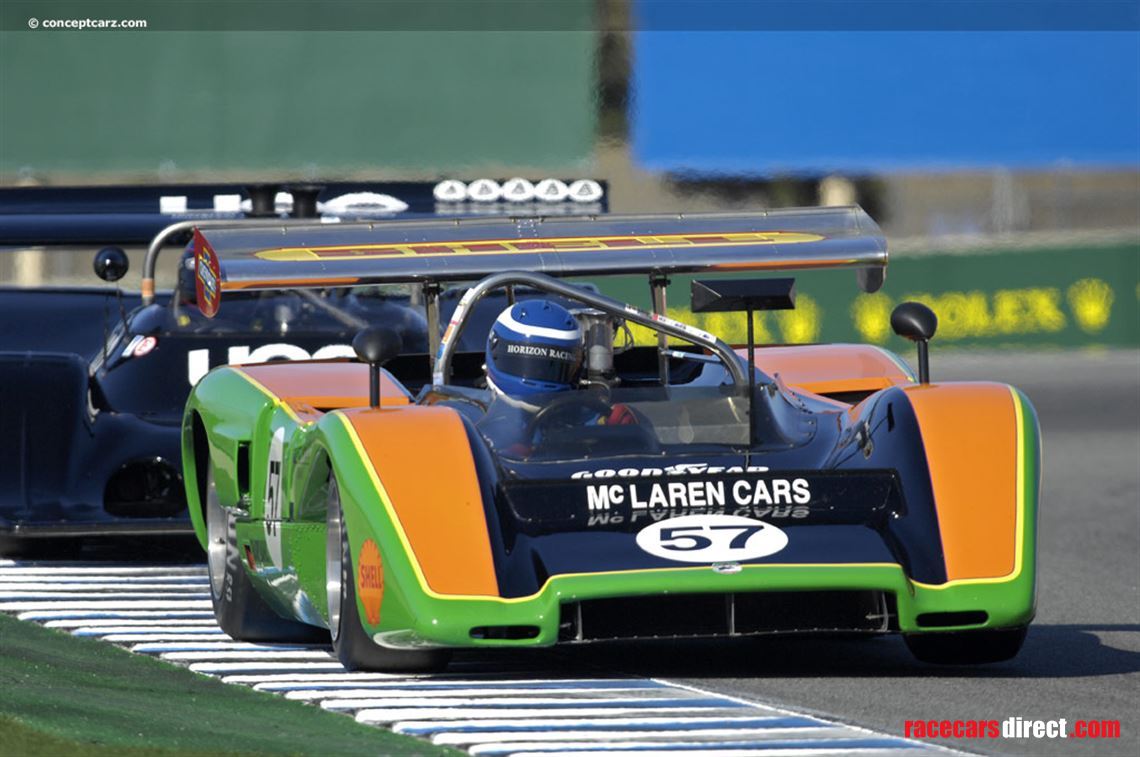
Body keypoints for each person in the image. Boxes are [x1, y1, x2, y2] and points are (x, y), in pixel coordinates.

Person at [484, 300, 584, 409]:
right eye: (532, 366)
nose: (540, 386)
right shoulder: (472, 413)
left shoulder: (588, 414)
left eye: (552, 367)